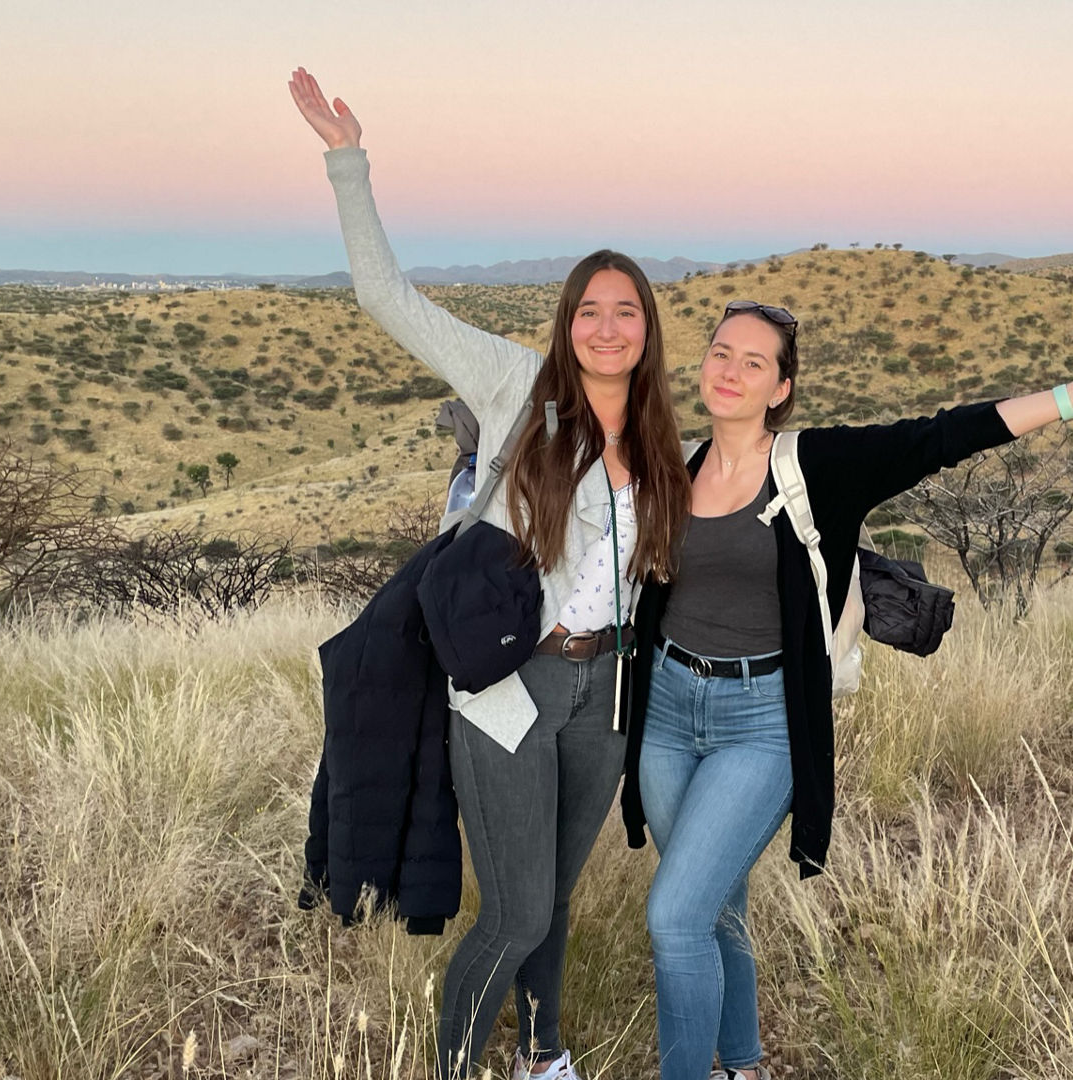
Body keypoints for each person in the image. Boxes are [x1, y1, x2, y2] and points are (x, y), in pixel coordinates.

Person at [623, 301, 1073, 1080]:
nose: (730, 371)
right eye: (721, 353)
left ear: (781, 387)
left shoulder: (817, 466)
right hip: (666, 712)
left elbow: (939, 437)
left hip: (763, 721)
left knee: (674, 915)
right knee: (714, 904)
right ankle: (743, 1064)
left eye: (754, 362)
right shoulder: (676, 468)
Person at [288, 68, 691, 1080]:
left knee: (548, 896)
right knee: (510, 908)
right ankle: (459, 1065)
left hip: (609, 690)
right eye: (589, 309)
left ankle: (543, 1056)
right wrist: (348, 161)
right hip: (514, 683)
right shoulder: (516, 383)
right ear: (567, 322)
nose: (606, 326)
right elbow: (386, 297)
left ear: (647, 330)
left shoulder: (657, 435)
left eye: (626, 312)